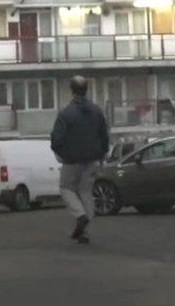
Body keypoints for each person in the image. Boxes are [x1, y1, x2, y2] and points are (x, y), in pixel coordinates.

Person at [50, 75, 110, 244]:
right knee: (85, 192)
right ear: (87, 90)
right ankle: (85, 231)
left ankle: (80, 216)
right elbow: (104, 135)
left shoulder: (66, 113)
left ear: (72, 90)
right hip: (92, 160)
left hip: (72, 160)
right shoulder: (97, 111)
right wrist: (103, 152)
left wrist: (60, 152)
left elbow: (56, 139)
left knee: (66, 188)